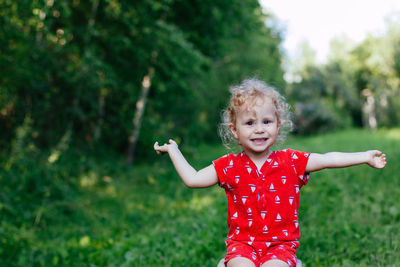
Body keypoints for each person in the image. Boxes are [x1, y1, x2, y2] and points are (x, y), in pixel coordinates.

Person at [154, 78, 386, 267]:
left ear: (277, 124)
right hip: (242, 243)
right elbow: (193, 179)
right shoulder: (228, 166)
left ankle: (292, 263)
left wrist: (364, 156)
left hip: (281, 245)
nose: (259, 130)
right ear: (235, 130)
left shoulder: (291, 161)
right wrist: (174, 151)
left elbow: (327, 159)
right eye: (250, 123)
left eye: (267, 121)